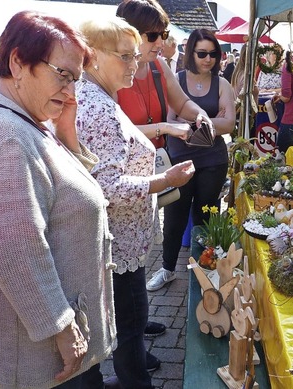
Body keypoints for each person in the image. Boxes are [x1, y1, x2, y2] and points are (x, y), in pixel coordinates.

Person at [0, 11, 114, 389]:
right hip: (45, 354)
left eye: (76, 80)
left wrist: (64, 132)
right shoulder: (7, 136)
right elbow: (16, 247)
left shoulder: (12, 116)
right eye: (62, 74)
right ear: (18, 62)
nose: (71, 92)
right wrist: (62, 327)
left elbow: (56, 185)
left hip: (37, 341)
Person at [75, 17, 195, 388]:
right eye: (125, 57)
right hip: (118, 239)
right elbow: (106, 185)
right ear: (93, 57)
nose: (135, 64)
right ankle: (134, 382)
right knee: (129, 321)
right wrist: (165, 180)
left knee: (127, 317)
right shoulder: (97, 106)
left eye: (135, 56)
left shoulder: (95, 96)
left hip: (120, 236)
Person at [148, 28, 235, 292]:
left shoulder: (223, 84)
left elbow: (229, 123)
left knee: (205, 215)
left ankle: (203, 268)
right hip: (180, 158)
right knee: (175, 215)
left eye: (213, 54)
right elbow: (171, 121)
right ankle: (167, 269)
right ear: (191, 54)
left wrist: (190, 124)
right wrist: (210, 122)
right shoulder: (178, 80)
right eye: (202, 53)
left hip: (212, 159)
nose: (208, 59)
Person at [116, 0, 210, 150]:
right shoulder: (111, 72)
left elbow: (183, 104)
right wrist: (164, 128)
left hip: (155, 163)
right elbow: (115, 131)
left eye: (163, 34)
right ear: (129, 34)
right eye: (153, 36)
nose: (160, 43)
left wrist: (200, 114)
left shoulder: (158, 65)